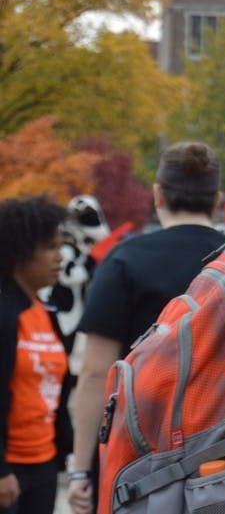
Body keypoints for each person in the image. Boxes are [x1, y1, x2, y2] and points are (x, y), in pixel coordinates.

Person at [67, 142, 225, 514]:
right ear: (217, 200)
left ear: (157, 196)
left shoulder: (125, 260)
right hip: (222, 453)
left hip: (134, 456)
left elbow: (95, 374)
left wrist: (80, 470)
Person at [0, 195, 73, 514]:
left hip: (44, 464)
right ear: (20, 252)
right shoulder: (5, 313)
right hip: (7, 468)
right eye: (50, 247)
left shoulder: (46, 313)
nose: (60, 256)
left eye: (60, 246)